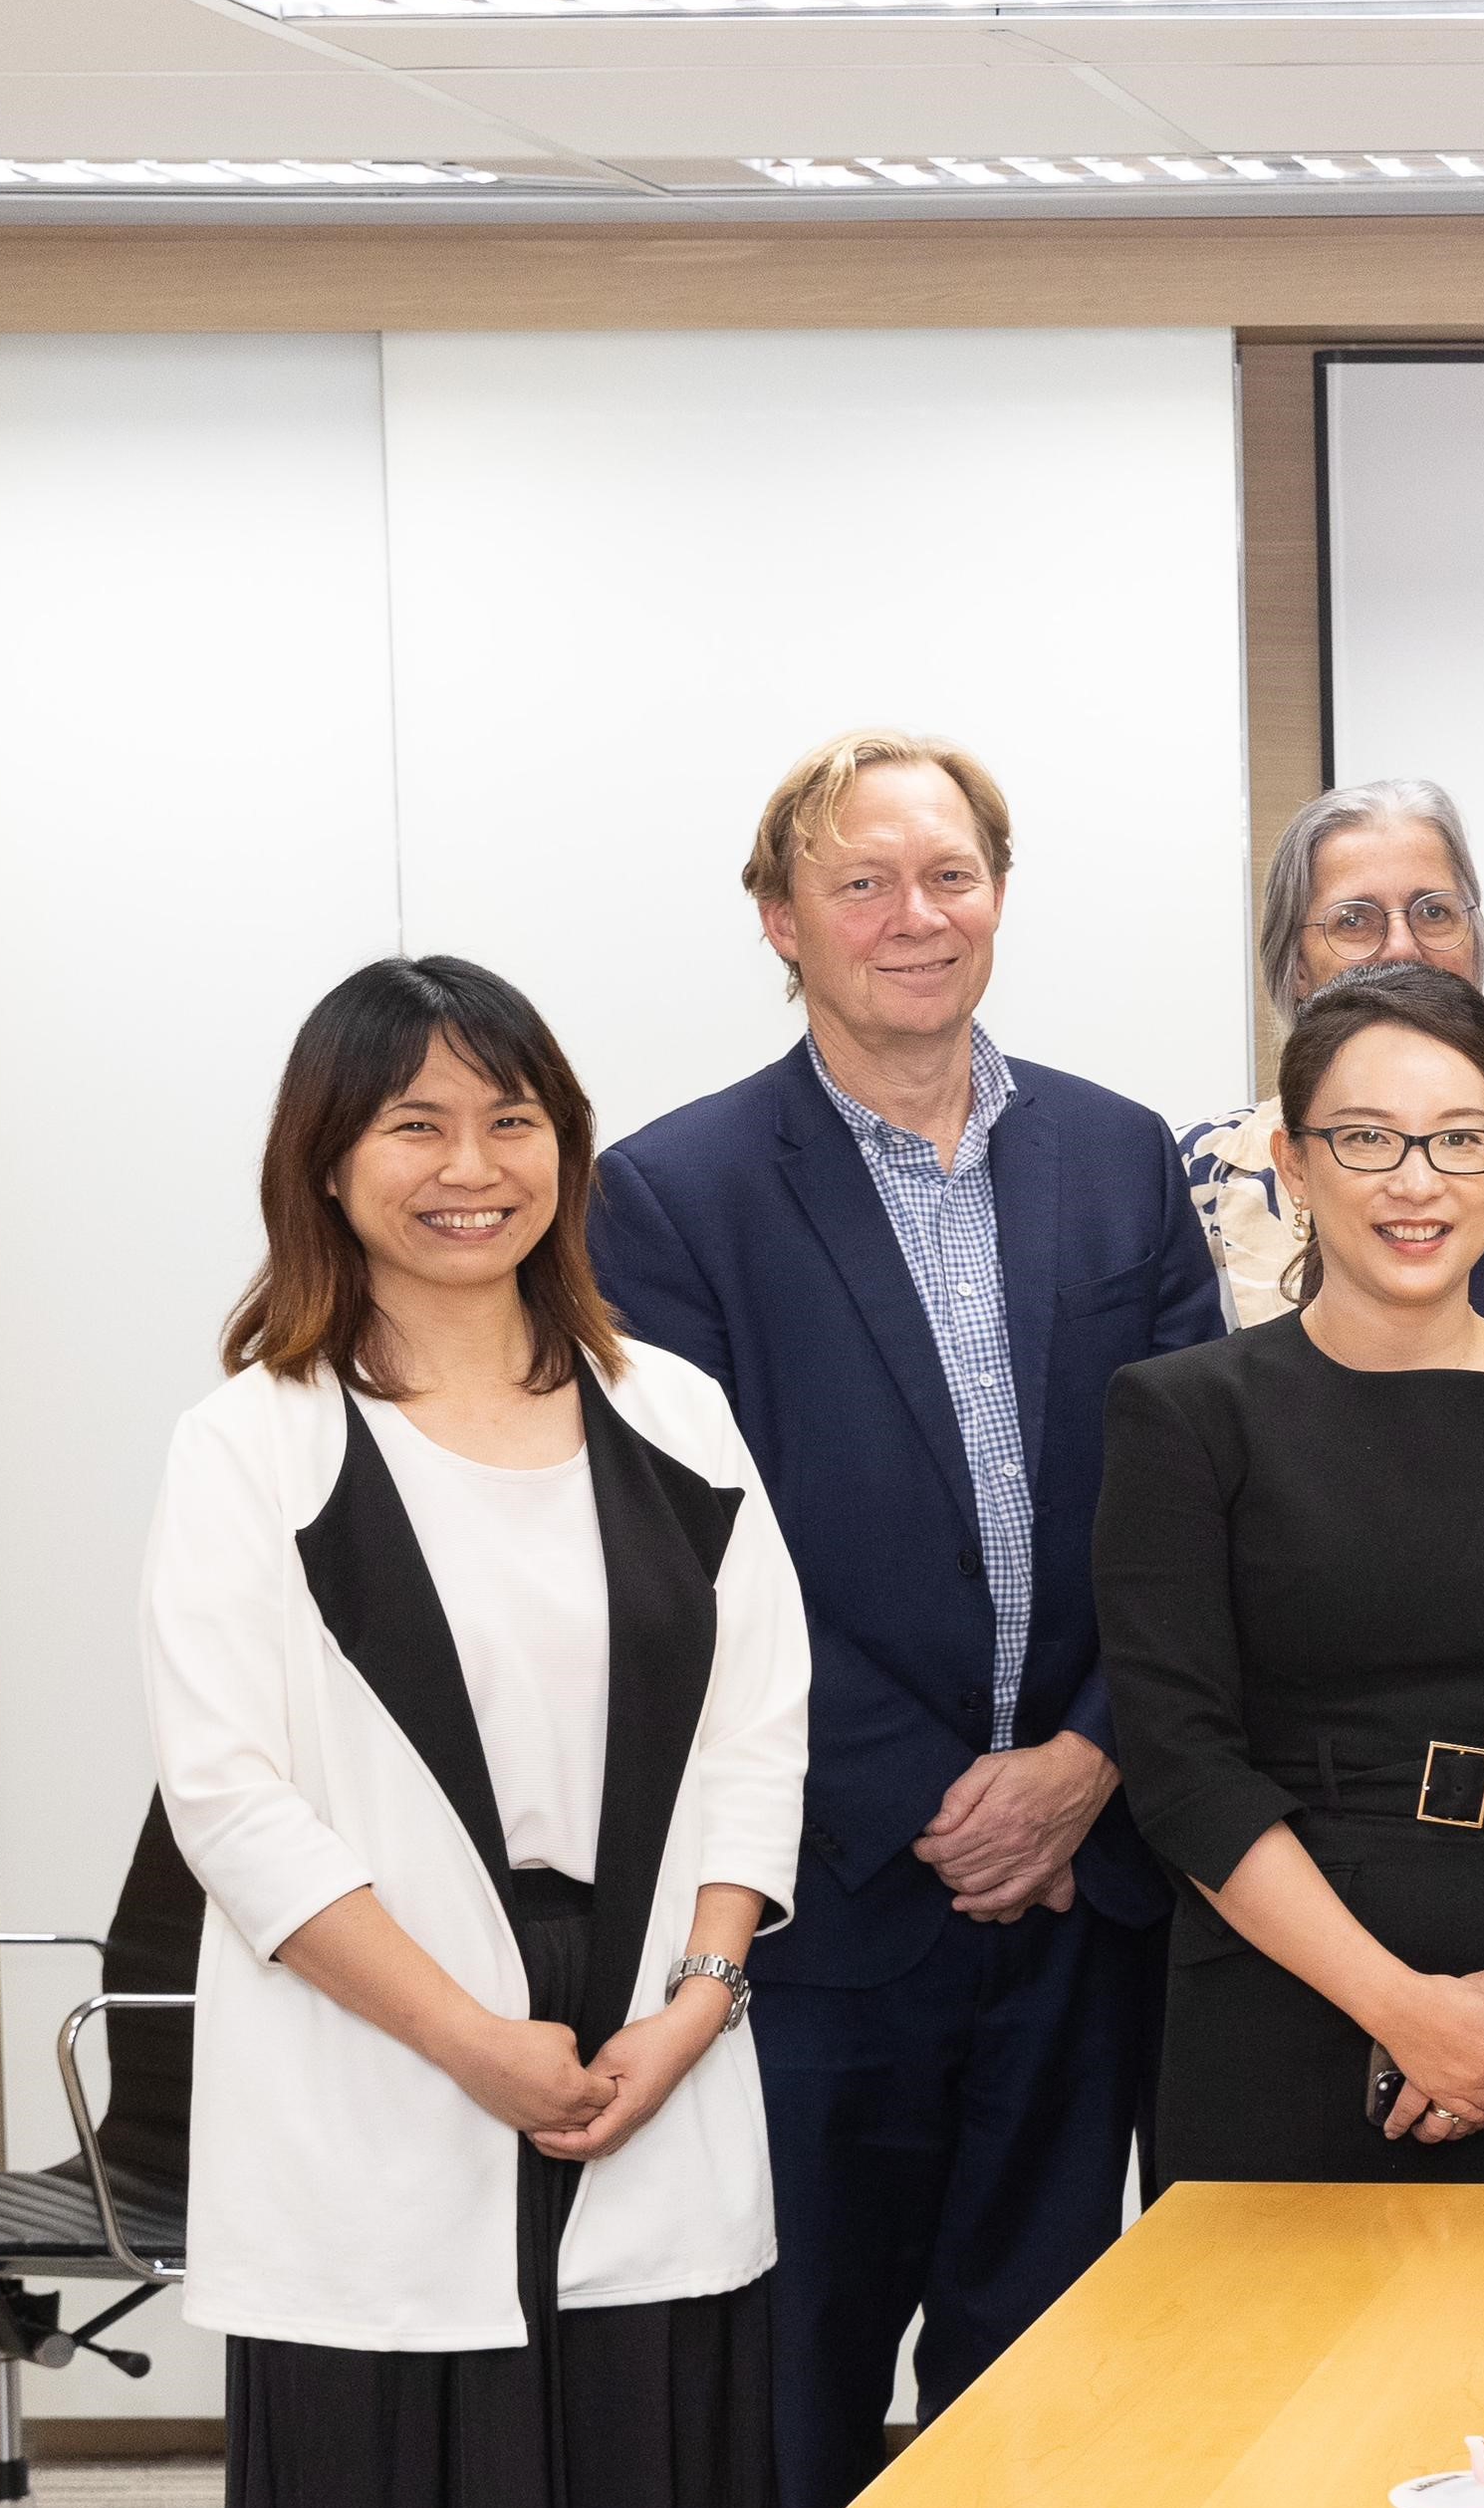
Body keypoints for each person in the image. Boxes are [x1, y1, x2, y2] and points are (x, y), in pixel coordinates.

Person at [587, 732, 1222, 2506]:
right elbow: (692, 1556)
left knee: (1046, 2390)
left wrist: (1087, 1763)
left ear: (998, 898)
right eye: (861, 881)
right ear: (780, 918)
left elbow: (1187, 1519)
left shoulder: (1115, 1156)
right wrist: (943, 1800)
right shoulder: (670, 1194)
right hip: (830, 1903)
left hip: (1085, 1895)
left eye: (950, 874)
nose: (912, 915)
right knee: (792, 2390)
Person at [145, 957, 808, 2508]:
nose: (470, 1168)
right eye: (414, 1123)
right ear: (326, 1158)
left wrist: (698, 2004)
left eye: (511, 1121)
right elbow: (233, 1804)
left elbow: (758, 1743)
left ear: (565, 1150)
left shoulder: (678, 1418)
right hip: (387, 2076)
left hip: (654, 2060)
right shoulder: (254, 1441)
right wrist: (471, 2044)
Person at [1100, 966, 1484, 2186]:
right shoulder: (1184, 1413)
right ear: (1293, 1161)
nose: (1415, 1183)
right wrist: (1403, 2009)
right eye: (1366, 1139)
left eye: (1460, 1141)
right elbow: (1179, 1762)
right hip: (1276, 1978)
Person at [1177, 781, 1484, 1381]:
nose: (1403, 947)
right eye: (1354, 921)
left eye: (1433, 912)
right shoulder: (1193, 1180)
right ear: (1297, 964)